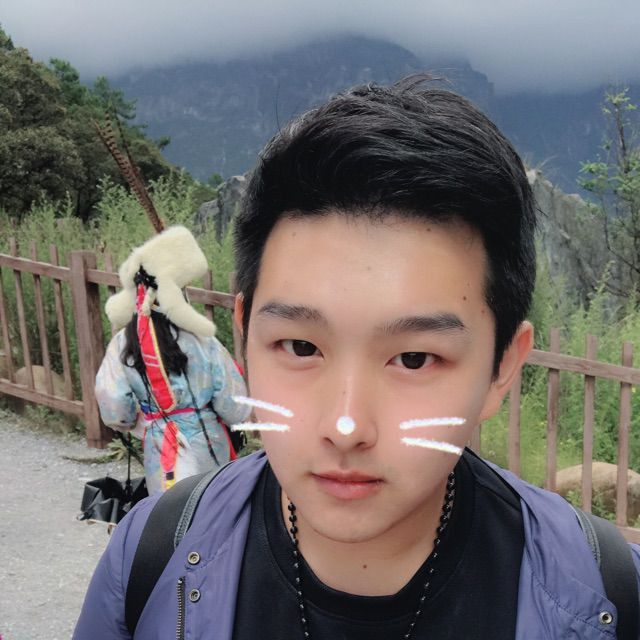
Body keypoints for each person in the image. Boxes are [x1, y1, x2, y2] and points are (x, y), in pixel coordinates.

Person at [75, 78, 640, 639]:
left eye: (414, 358)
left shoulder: (608, 596)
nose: (345, 427)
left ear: (502, 367)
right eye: (300, 347)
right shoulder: (152, 555)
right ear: (244, 339)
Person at [94, 225, 250, 494]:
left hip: (159, 449)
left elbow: (114, 407)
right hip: (207, 447)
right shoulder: (202, 340)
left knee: (168, 511)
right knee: (214, 506)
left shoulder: (123, 344)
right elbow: (235, 407)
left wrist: (141, 420)